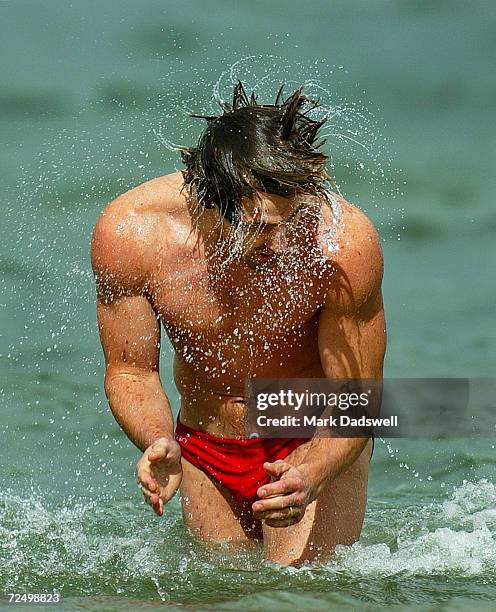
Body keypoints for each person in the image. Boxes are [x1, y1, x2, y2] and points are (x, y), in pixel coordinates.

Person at [90, 82, 386, 566]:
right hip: (205, 446)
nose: (288, 242)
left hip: (310, 436)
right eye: (265, 227)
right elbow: (130, 373)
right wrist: (158, 439)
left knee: (301, 594)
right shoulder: (133, 233)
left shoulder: (343, 243)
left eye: (295, 220)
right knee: (226, 595)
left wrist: (313, 471)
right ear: (213, 201)